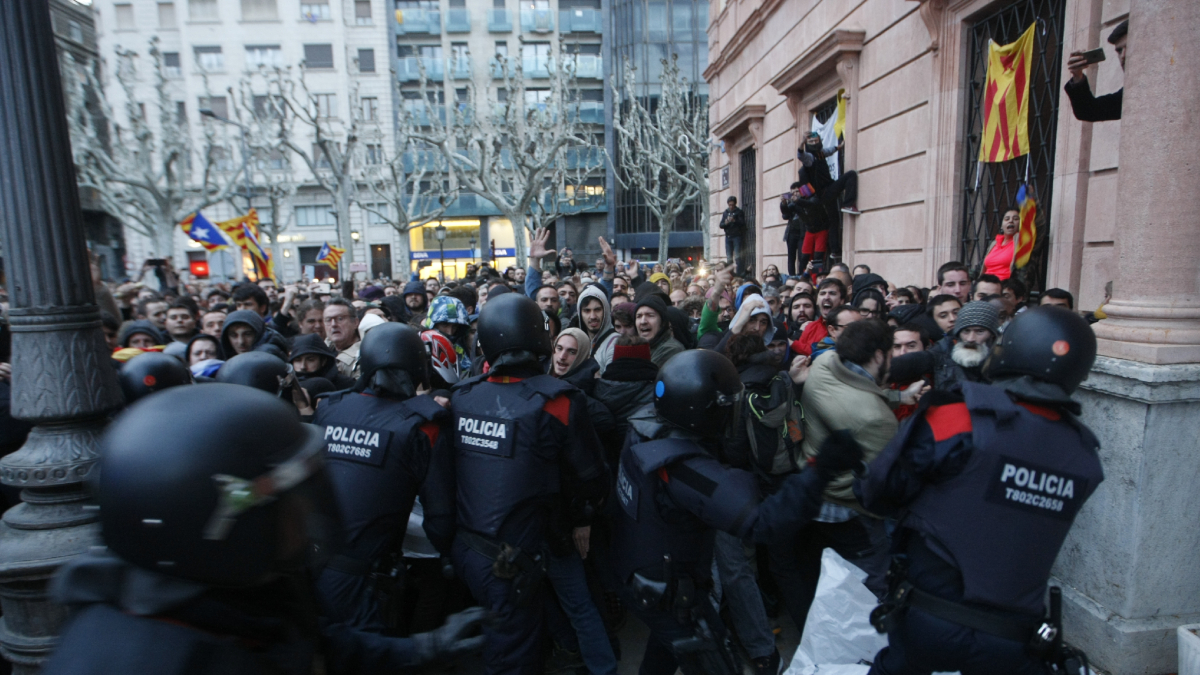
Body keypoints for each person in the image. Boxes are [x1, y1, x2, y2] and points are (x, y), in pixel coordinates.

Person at [43, 385, 483, 675]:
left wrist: (422, 650)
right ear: (224, 525)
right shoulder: (148, 660)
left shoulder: (228, 596)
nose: (305, 513)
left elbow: (308, 645)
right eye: (289, 502)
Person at [860, 307, 1103, 675]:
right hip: (1015, 638)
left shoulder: (958, 417)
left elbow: (879, 492)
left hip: (931, 618)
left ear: (1007, 350)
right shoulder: (1084, 455)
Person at [602, 349, 866, 675]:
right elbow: (761, 523)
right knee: (712, 657)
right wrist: (820, 470)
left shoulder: (643, 428)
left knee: (668, 643)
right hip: (668, 592)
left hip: (635, 571)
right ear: (706, 412)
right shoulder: (686, 470)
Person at [447, 293, 609, 675]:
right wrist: (581, 516)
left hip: (473, 550)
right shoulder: (558, 400)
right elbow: (591, 476)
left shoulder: (461, 397)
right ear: (539, 337)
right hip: (529, 546)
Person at [312, 323, 460, 647]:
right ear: (417, 366)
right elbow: (441, 516)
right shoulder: (424, 425)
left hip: (312, 567)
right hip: (365, 581)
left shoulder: (329, 408)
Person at [774, 321, 924, 638]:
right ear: (879, 355)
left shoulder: (825, 363)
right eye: (891, 354)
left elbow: (852, 392)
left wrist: (899, 397)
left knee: (818, 579)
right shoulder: (876, 421)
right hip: (850, 512)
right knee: (874, 585)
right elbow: (882, 484)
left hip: (811, 496)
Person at [1065, 19, 1126, 122]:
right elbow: (1089, 110)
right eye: (1119, 51)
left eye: (1128, 47)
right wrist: (1077, 76)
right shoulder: (1126, 95)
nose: (1123, 56)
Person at [290, 333, 355, 390]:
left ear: (323, 361)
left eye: (310, 360)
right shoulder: (288, 386)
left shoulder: (346, 385)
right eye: (298, 360)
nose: (303, 366)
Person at [635, 295, 685, 366]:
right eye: (639, 316)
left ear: (663, 322)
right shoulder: (639, 348)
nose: (643, 321)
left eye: (650, 315)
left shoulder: (671, 349)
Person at [219, 310, 288, 361]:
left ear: (259, 333)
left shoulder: (267, 355)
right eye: (234, 335)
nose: (241, 342)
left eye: (247, 334)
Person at [324, 298, 361, 379]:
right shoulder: (322, 350)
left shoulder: (364, 354)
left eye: (340, 318)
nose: (333, 324)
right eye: (328, 320)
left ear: (355, 322)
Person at [982, 208, 1019, 280]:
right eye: (1007, 219)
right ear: (1001, 226)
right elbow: (981, 266)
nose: (1011, 221)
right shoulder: (994, 243)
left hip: (1004, 284)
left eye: (1015, 219)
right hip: (985, 283)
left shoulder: (1021, 242)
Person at [720, 196, 748, 276]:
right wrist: (726, 223)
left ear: (735, 204)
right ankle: (731, 274)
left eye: (732, 205)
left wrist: (734, 221)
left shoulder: (739, 212)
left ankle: (739, 274)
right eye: (729, 205)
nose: (731, 207)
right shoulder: (726, 212)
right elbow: (721, 225)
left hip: (737, 236)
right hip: (728, 237)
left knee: (737, 257)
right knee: (729, 257)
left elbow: (742, 223)